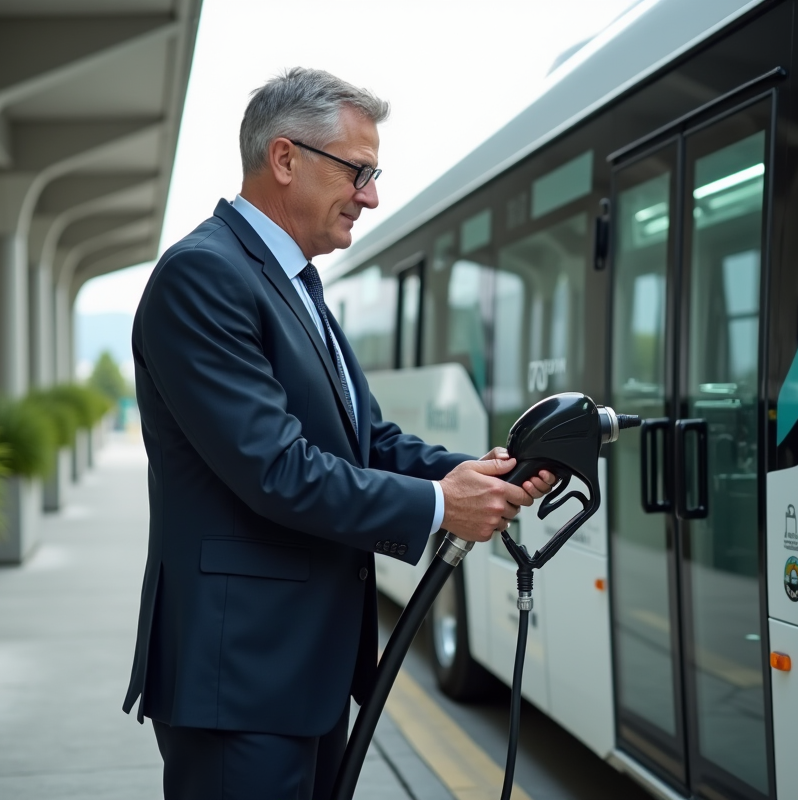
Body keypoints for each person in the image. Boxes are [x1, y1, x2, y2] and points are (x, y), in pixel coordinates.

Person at [122, 67, 555, 800]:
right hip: (244, 679)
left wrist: (487, 473)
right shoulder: (203, 276)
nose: (371, 195)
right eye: (358, 171)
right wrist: (437, 507)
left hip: (298, 671)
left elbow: (368, 440)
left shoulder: (294, 283)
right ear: (285, 159)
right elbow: (275, 467)